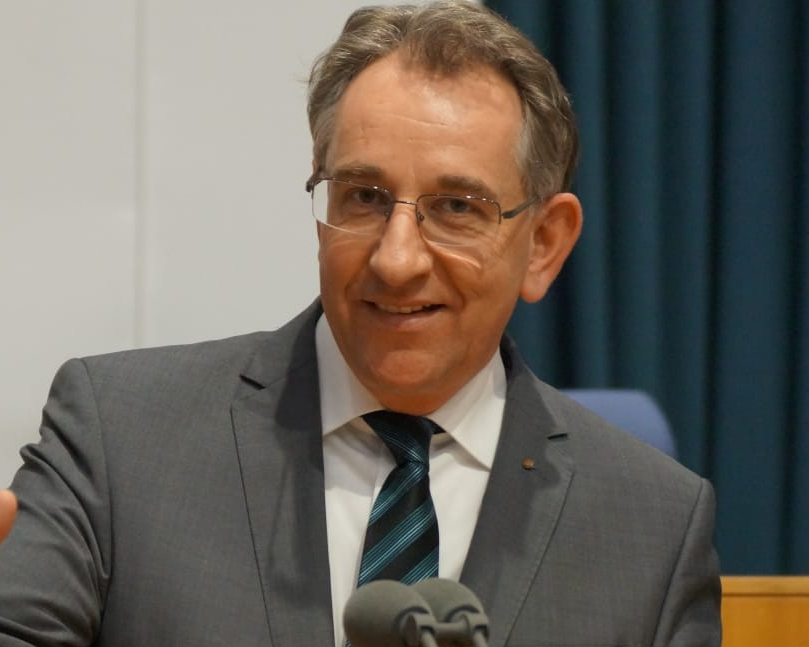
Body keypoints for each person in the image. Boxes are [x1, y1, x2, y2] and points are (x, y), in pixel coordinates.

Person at [0, 1, 721, 645]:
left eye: (457, 208)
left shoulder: (652, 526)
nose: (396, 259)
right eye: (364, 196)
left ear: (543, 244)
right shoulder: (120, 438)